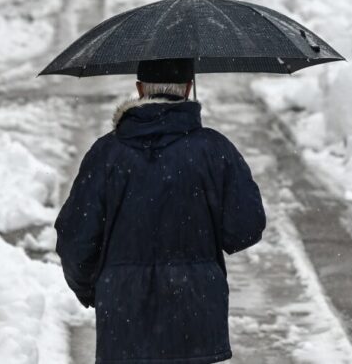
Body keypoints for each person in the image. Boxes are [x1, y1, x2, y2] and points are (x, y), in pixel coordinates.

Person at [55, 58, 266, 364]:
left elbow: (75, 240)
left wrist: (99, 289)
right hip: (195, 320)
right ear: (189, 88)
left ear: (139, 90)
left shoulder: (106, 154)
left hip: (124, 318)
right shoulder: (214, 150)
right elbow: (245, 227)